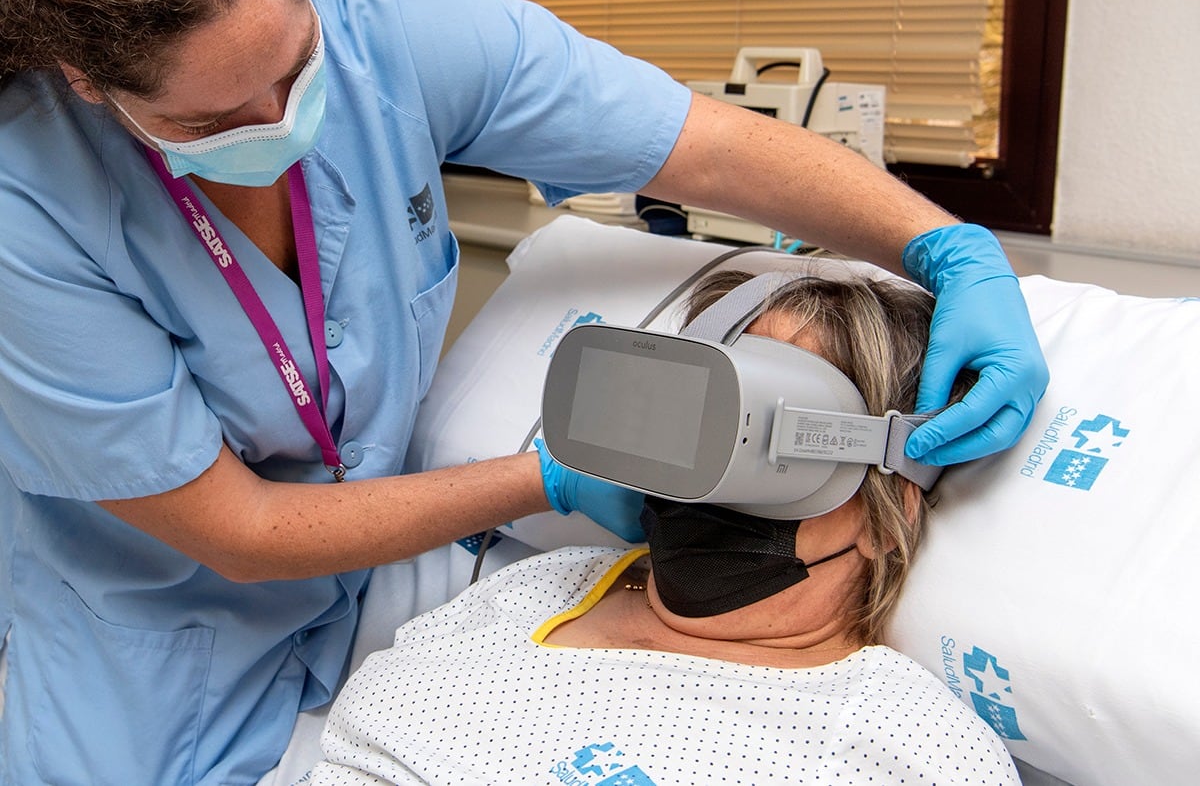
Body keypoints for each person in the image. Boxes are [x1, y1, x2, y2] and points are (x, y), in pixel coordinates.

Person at [0, 0, 1045, 783]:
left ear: (895, 489)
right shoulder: (508, 604)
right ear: (87, 82)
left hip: (361, 585)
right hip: (152, 631)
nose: (281, 119)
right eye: (214, 118)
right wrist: (540, 482)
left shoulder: (899, 735)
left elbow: (713, 149)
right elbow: (239, 528)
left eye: (296, 65)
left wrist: (948, 245)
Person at [306, 270, 1019, 785]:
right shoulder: (540, 585)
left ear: (890, 511)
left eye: (756, 435)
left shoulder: (909, 749)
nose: (705, 470)